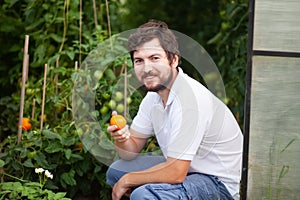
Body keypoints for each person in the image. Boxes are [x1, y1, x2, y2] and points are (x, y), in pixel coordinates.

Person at [106, 19, 243, 200]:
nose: (147, 68)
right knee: (117, 171)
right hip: (189, 169)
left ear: (174, 60)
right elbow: (128, 152)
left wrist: (129, 180)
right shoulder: (153, 98)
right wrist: (121, 139)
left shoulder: (190, 101)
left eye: (155, 58)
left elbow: (176, 173)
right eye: (139, 61)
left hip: (218, 184)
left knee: (143, 195)